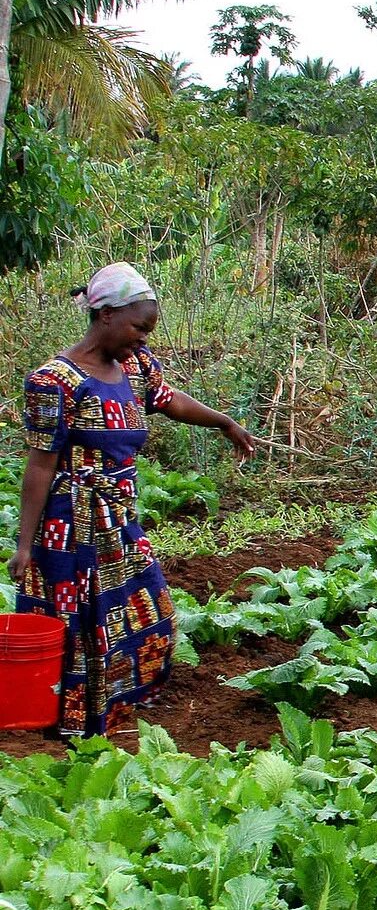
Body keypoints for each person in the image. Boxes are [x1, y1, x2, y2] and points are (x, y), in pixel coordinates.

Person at [7, 263, 255, 738]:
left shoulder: (136, 367)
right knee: (80, 624)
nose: (143, 338)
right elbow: (39, 465)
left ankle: (114, 712)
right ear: (105, 315)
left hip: (119, 517)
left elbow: (170, 400)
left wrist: (225, 421)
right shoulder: (53, 381)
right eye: (138, 327)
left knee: (149, 613)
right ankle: (69, 726)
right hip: (70, 524)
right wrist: (24, 543)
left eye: (148, 330)